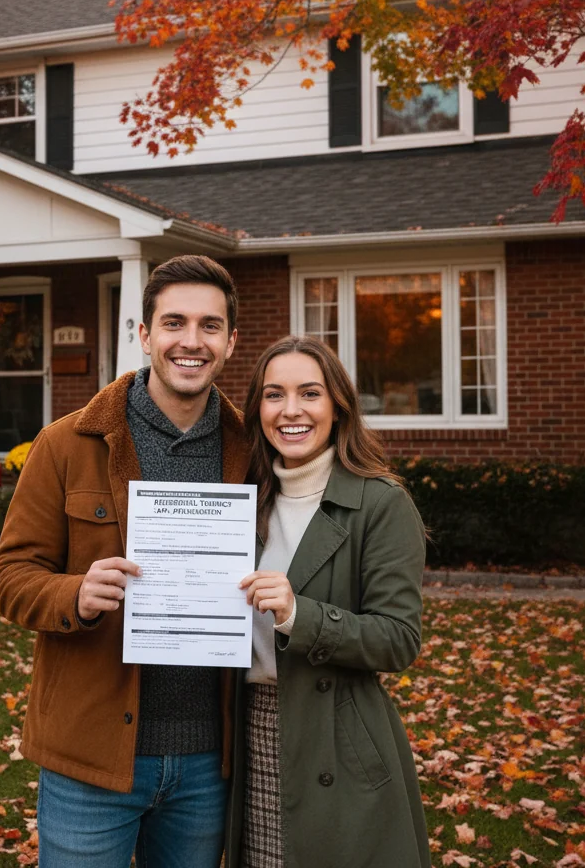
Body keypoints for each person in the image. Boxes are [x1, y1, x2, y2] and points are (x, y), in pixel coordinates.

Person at [0, 254, 249, 868]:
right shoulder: (66, 444)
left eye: (210, 326)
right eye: (175, 322)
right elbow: (8, 577)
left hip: (208, 763)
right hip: (91, 757)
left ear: (231, 342)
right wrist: (74, 595)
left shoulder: (251, 451)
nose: (192, 341)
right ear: (144, 334)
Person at [228, 335, 431, 868]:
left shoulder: (380, 502)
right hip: (246, 728)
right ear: (258, 410)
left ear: (338, 405)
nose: (290, 410)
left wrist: (301, 616)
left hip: (336, 734)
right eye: (274, 395)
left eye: (309, 393)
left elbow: (399, 639)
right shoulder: (239, 499)